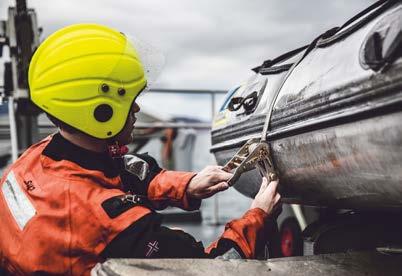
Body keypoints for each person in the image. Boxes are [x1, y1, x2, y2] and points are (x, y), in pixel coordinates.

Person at [0, 24, 281, 275]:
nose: (136, 108)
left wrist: (188, 185)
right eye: (129, 99)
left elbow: (124, 168)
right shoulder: (115, 227)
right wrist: (259, 216)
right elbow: (213, 267)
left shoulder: (32, 161)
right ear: (99, 111)